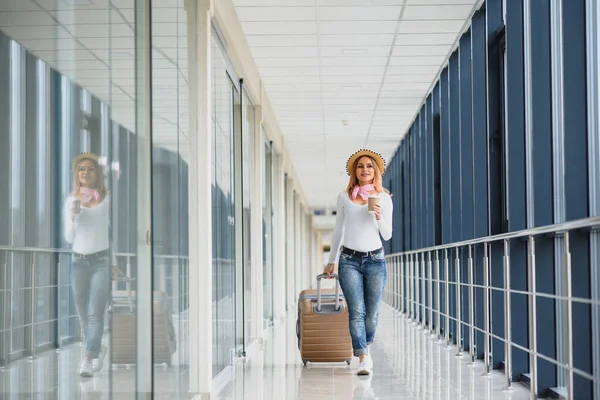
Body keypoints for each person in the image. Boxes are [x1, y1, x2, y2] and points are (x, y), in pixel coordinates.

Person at [323, 149, 393, 376]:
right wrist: (331, 260)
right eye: (360, 166)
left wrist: (379, 216)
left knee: (371, 314)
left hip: (375, 260)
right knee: (357, 311)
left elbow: (388, 235)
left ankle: (365, 345)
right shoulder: (344, 197)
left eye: (369, 166)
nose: (365, 169)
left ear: (376, 171)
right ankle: (363, 356)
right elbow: (338, 230)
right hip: (349, 260)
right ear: (355, 171)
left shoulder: (384, 198)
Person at [64, 152, 122, 377]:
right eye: (81, 169)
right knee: (82, 315)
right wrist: (72, 217)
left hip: (101, 261)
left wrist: (114, 264)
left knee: (95, 313)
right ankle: (98, 348)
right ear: (76, 174)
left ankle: (88, 358)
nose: (85, 172)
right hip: (78, 262)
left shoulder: (107, 198)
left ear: (98, 173)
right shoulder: (71, 200)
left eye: (90, 168)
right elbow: (69, 238)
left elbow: (109, 234)